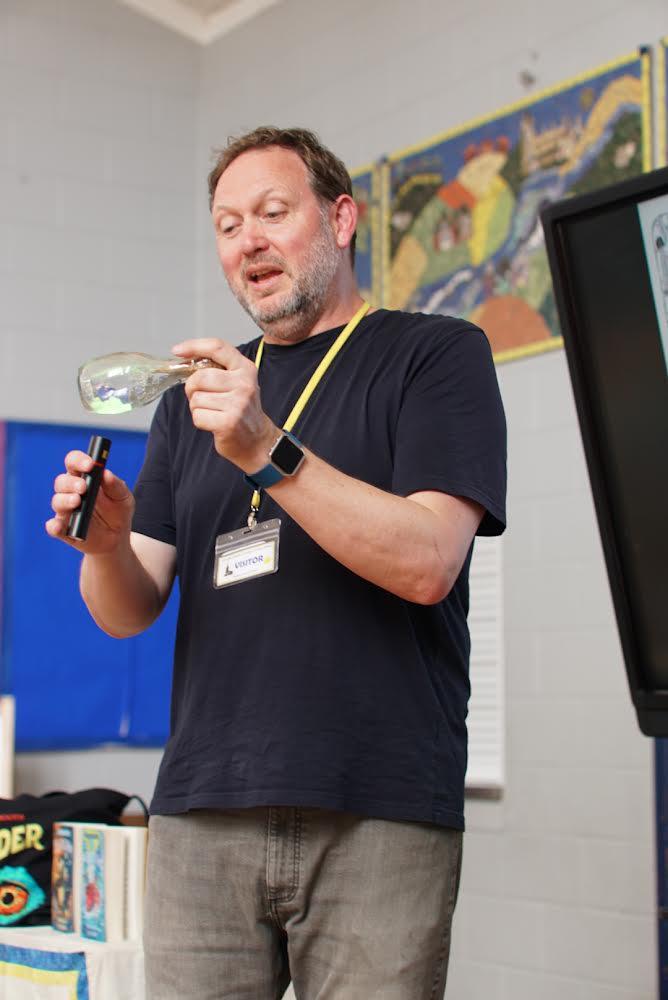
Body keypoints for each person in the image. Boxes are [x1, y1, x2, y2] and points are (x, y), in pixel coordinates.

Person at [47, 126, 506, 999]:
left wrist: (265, 448)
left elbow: (428, 563)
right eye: (227, 226)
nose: (247, 240)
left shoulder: (435, 355)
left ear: (340, 219)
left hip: (378, 806)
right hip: (202, 806)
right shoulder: (191, 401)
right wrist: (103, 546)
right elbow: (126, 608)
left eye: (271, 212)